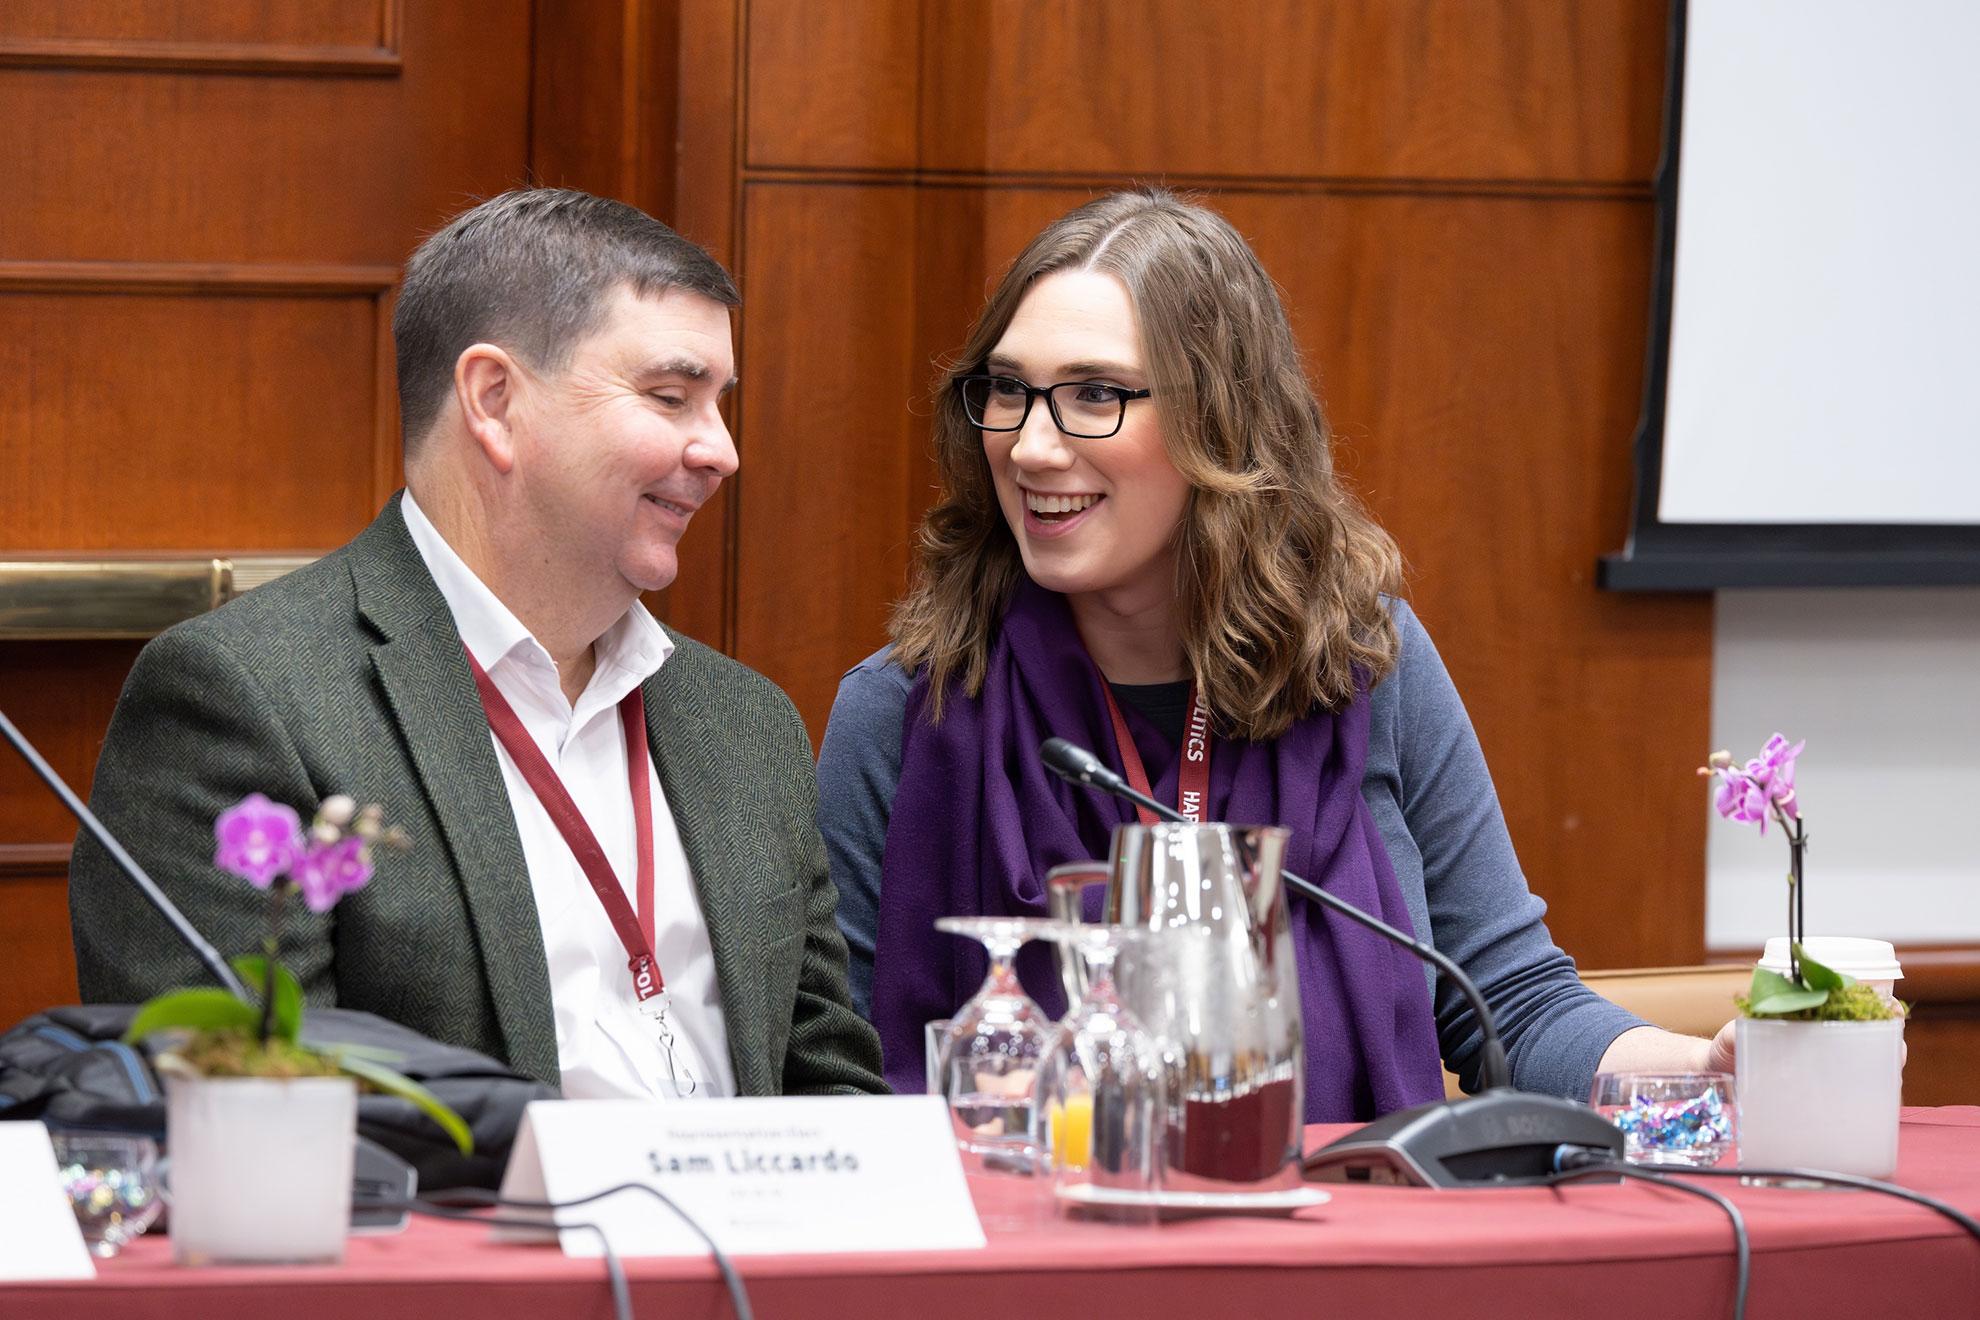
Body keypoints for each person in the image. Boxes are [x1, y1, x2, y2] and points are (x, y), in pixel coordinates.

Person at [817, 187, 1731, 1114]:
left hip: (1341, 1236)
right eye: (1009, 390)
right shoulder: (904, 712)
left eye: (1094, 393)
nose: (1032, 446)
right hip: (1031, 1243)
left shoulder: (1364, 663)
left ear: (1220, 420)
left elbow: (1511, 1003)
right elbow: (831, 1073)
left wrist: (1706, 1074)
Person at [69, 188, 885, 1100]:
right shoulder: (247, 699)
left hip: (761, 1239)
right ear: (494, 400)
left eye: (718, 405)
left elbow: (830, 1084)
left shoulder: (743, 719)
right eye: (670, 397)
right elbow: (247, 1124)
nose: (721, 451)